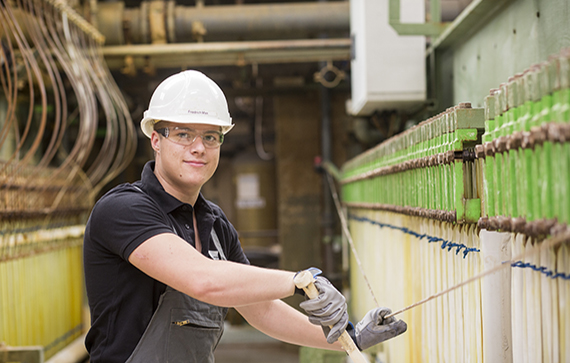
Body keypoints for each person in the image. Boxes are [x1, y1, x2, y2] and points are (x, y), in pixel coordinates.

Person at [83, 70, 407, 363]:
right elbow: (204, 281)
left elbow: (260, 308)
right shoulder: (123, 209)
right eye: (183, 134)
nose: (199, 147)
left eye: (210, 136)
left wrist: (351, 338)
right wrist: (299, 280)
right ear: (156, 138)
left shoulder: (215, 225)